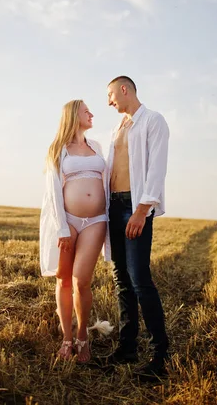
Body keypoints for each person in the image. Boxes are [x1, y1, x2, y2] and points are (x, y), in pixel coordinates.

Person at [103, 75, 169, 381]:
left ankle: (160, 355)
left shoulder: (153, 121)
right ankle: (126, 348)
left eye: (111, 95)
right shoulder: (117, 128)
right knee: (122, 280)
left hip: (135, 206)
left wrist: (142, 210)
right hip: (113, 207)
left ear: (124, 89)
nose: (109, 102)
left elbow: (156, 168)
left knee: (140, 278)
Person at [40, 99, 113, 363]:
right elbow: (53, 192)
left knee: (81, 280)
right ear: (74, 116)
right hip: (67, 221)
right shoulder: (59, 149)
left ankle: (83, 337)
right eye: (86, 111)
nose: (92, 114)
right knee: (63, 279)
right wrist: (61, 227)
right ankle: (66, 338)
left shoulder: (97, 147)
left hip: (95, 220)